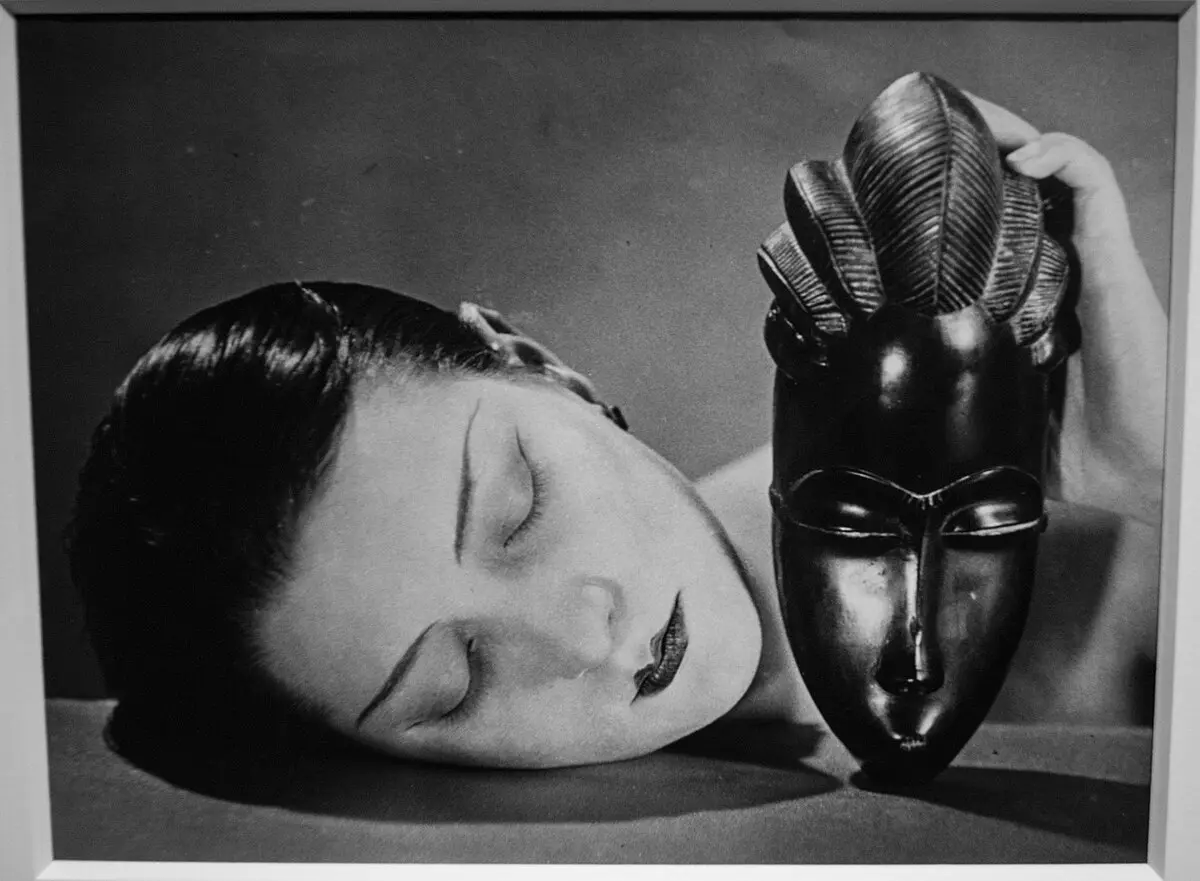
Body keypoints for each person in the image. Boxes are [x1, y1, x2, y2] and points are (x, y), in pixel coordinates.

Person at [66, 94, 1166, 772]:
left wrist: (1161, 474)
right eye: (452, 685)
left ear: (546, 367)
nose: (582, 635)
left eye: (521, 506)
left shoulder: (1143, 574)